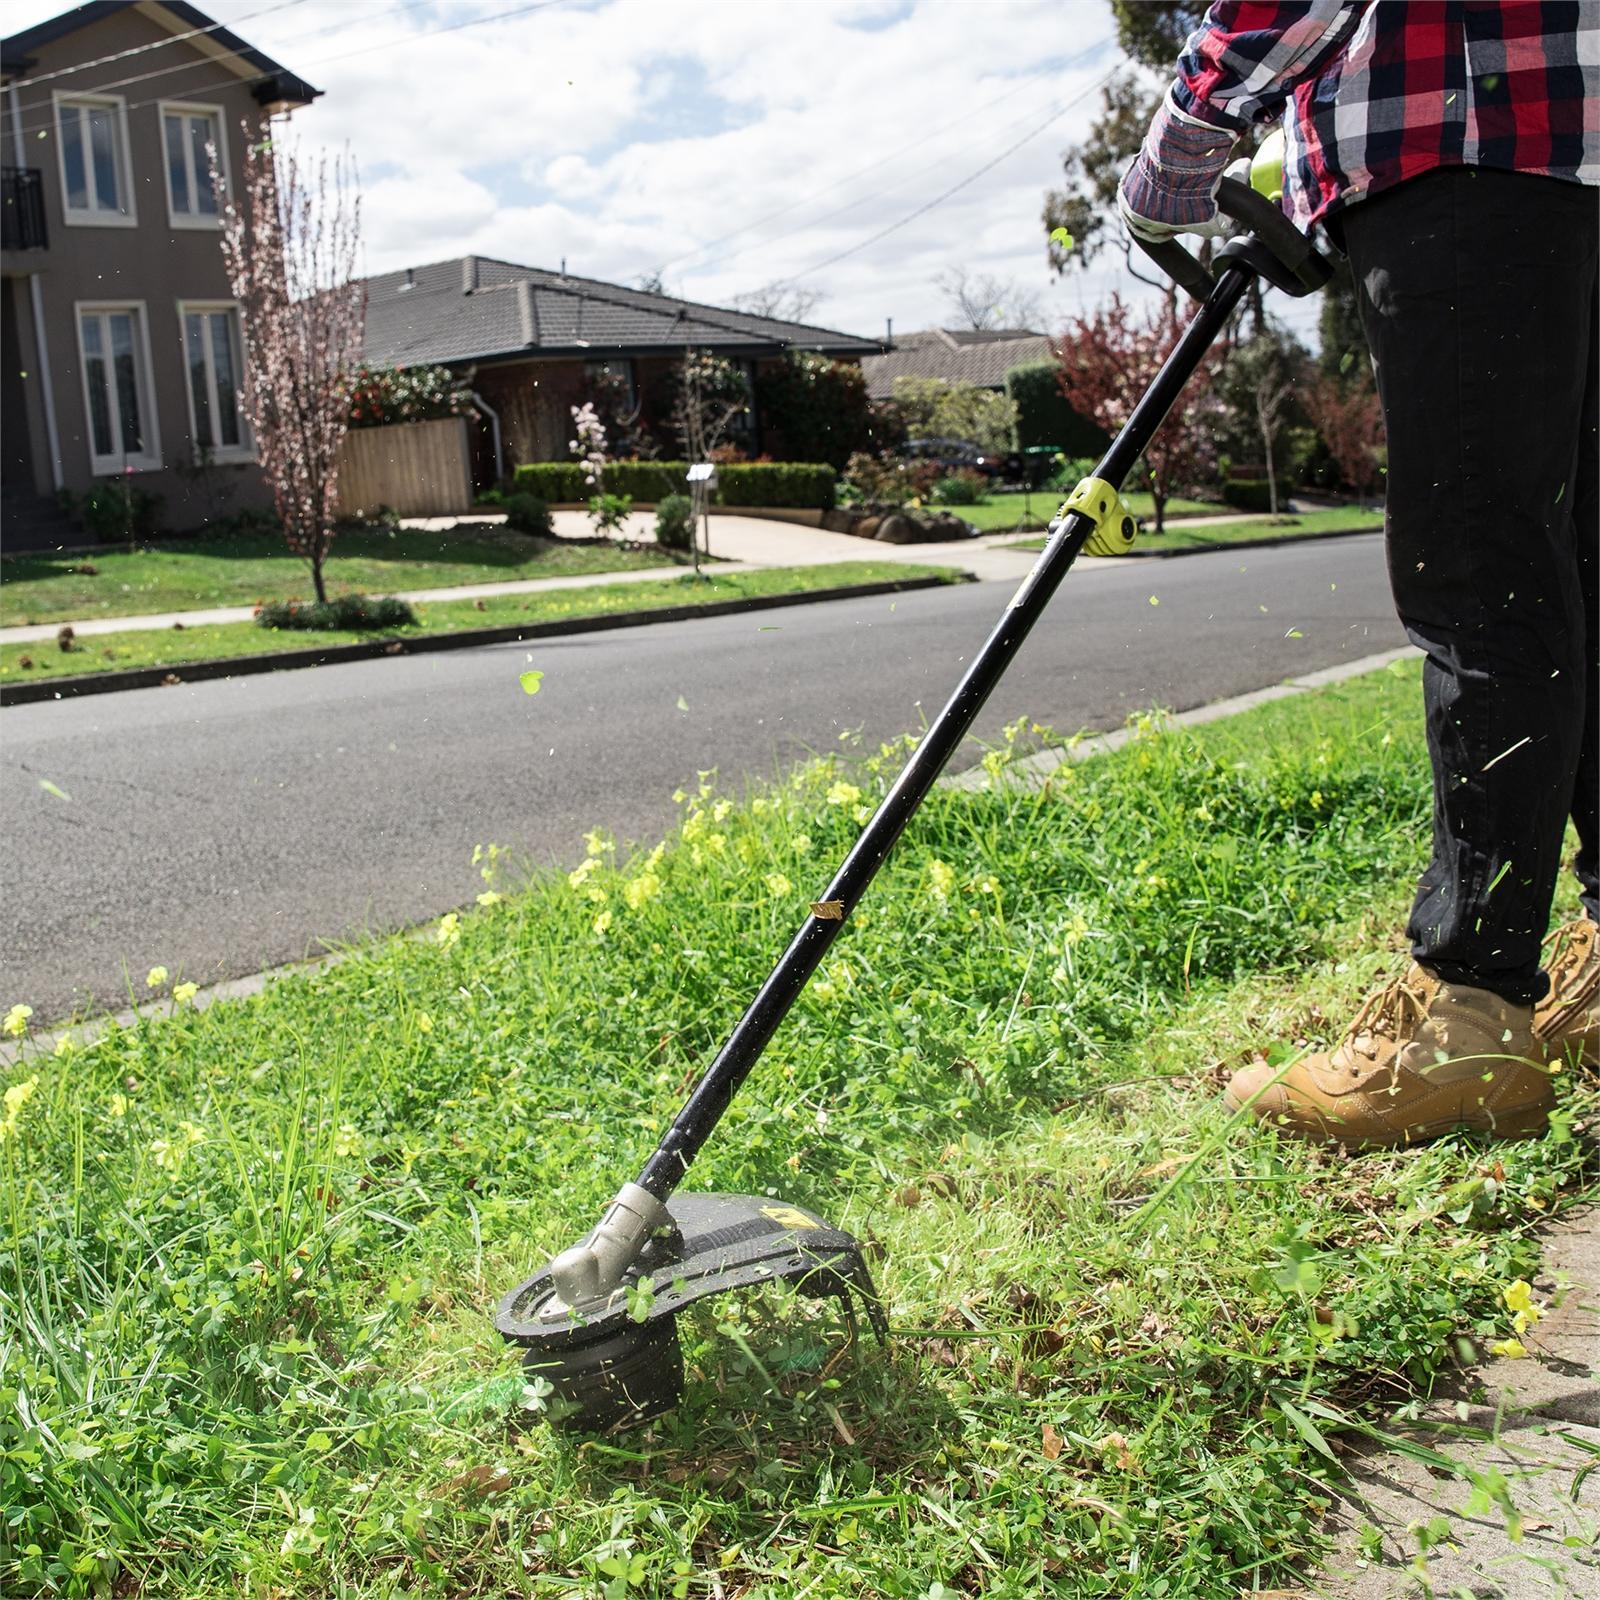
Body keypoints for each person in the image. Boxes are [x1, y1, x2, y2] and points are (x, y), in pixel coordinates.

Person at [1116, 1, 1599, 1147]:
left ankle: (1468, 1017)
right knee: (1570, 560)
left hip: (1463, 144)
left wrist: (1180, 147)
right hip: (1567, 153)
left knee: (1482, 572)